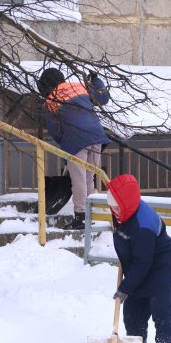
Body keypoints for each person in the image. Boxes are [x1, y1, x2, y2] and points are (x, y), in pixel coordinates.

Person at [106, 174, 171, 343]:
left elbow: (143, 261)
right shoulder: (123, 211)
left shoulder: (142, 224)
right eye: (111, 205)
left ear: (126, 203)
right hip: (139, 267)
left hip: (160, 269)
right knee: (133, 314)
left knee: (161, 314)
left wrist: (125, 288)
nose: (113, 210)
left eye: (116, 206)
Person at [38, 67, 111, 230]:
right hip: (97, 135)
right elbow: (104, 98)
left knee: (78, 180)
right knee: (89, 179)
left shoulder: (51, 100)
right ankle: (91, 214)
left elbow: (55, 131)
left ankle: (80, 217)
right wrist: (96, 80)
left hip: (76, 140)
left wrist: (66, 148)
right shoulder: (79, 86)